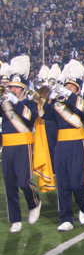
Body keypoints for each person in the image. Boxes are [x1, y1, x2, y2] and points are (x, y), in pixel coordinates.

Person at [41, 60, 84, 231]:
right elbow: (43, 115)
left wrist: (67, 95)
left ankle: (83, 204)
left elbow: (83, 110)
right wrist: (50, 98)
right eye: (67, 86)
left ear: (78, 89)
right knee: (62, 183)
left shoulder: (83, 102)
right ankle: (66, 217)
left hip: (77, 144)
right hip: (60, 145)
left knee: (77, 183)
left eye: (72, 87)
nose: (68, 89)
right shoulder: (57, 105)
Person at [1, 56, 42, 233]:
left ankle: (34, 202)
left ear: (24, 89)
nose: (13, 90)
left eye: (16, 87)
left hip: (23, 145)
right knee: (9, 184)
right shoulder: (4, 103)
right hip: (7, 146)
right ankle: (15, 219)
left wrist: (15, 102)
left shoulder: (30, 103)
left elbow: (29, 118)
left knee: (24, 182)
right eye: (11, 87)